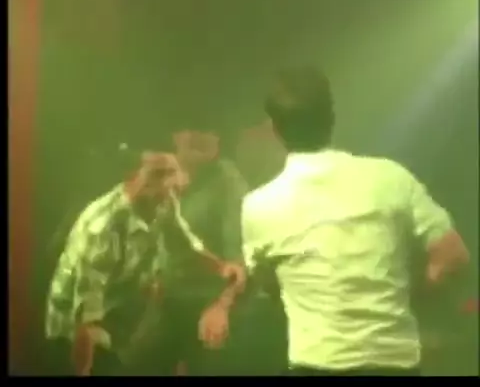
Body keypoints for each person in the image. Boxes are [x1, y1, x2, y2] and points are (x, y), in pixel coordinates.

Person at [241, 66, 470, 376]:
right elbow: (453, 255)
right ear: (332, 118)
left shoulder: (259, 206)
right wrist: (411, 293)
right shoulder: (390, 178)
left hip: (317, 365)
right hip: (394, 364)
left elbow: (270, 285)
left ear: (275, 130)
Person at [45, 151, 243, 375]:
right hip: (73, 330)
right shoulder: (103, 228)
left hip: (119, 313)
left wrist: (220, 267)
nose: (168, 183)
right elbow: (86, 318)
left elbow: (184, 242)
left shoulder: (163, 201)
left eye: (171, 173)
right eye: (157, 174)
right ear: (132, 177)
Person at [157, 115, 248, 374]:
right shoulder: (156, 174)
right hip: (157, 299)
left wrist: (222, 306)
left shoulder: (227, 180)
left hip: (208, 301)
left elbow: (239, 255)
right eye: (193, 127)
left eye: (210, 128)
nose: (202, 136)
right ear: (175, 135)